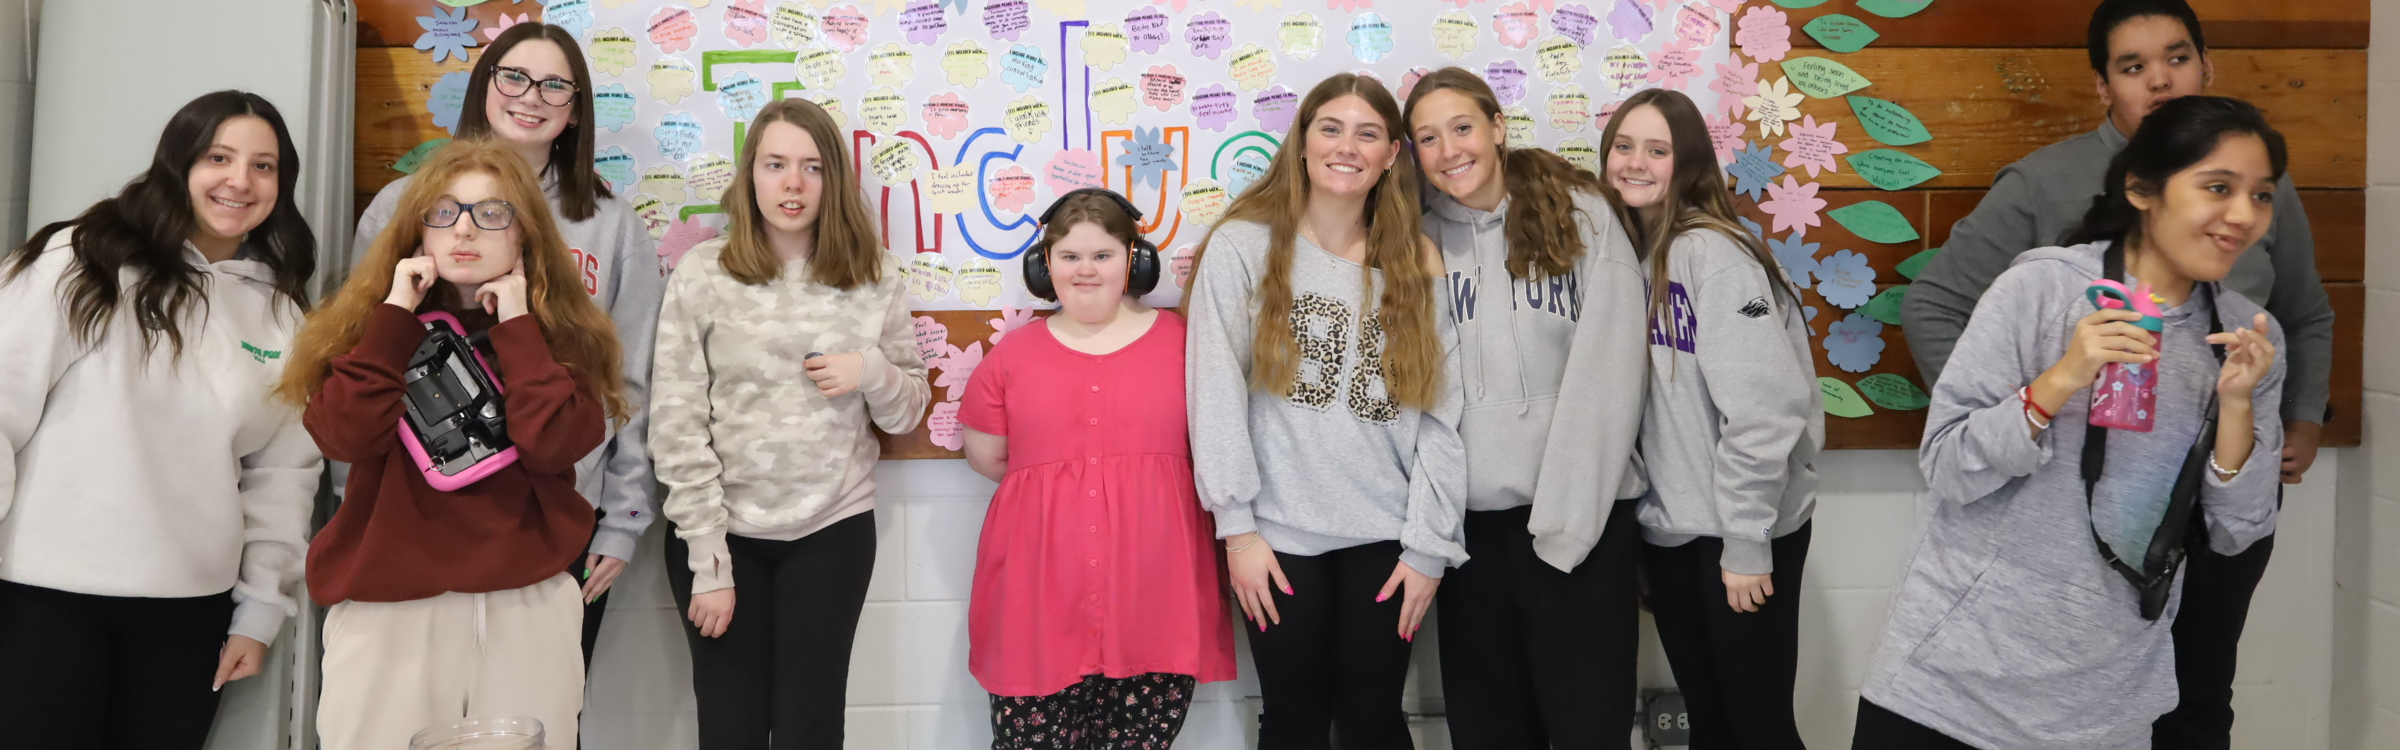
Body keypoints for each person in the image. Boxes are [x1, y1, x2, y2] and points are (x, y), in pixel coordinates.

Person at [1898, 5, 2327, 743]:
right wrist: (2026, 411)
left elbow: (2304, 311)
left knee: (2197, 689)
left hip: (2213, 474)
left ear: (2206, 65)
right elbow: (1935, 306)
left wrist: (2299, 418)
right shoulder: (2042, 197)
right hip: (2074, 498)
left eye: (2178, 57)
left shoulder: (2261, 190)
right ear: (2104, 87)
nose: (2161, 79)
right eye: (2134, 67)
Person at [283, 139, 629, 750]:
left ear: (526, 236)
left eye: (492, 214)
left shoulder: (560, 339)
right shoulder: (374, 330)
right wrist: (396, 313)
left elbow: (552, 445)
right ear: (418, 235)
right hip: (389, 608)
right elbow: (343, 435)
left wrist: (518, 325)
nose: (464, 229)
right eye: (443, 212)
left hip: (527, 602)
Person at [0, 90, 321, 749]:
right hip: (40, 601)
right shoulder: (81, 262)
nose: (240, 180)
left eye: (264, 166)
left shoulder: (281, 312)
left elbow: (282, 474)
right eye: (219, 157)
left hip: (189, 616)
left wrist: (260, 610)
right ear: (176, 165)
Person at [351, 22, 661, 659]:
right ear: (483, 86)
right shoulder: (400, 207)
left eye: (555, 85)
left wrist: (624, 519)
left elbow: (630, 382)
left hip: (559, 513)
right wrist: (347, 498)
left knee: (540, 714)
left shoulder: (610, 225)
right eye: (514, 76)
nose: (532, 96)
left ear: (576, 111)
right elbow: (360, 356)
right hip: (414, 512)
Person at [1184, 72, 1466, 749]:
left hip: (1387, 539)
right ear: (1303, 144)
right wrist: (1238, 529)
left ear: (1393, 154)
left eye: (1368, 133)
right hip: (1278, 540)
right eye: (1330, 129)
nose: (1348, 147)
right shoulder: (1243, 246)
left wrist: (1429, 546)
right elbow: (1214, 392)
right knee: (1293, 719)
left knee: (1374, 719)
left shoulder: (1419, 260)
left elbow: (1441, 418)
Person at [649, 98, 930, 750]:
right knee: (731, 726)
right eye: (776, 164)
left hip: (832, 533)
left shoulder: (873, 274)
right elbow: (675, 423)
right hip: (722, 536)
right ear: (751, 176)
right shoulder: (704, 274)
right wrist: (710, 563)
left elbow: (908, 407)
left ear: (832, 178)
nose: (793, 184)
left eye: (811, 167)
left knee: (811, 726)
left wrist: (871, 372)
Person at [1401, 67, 1648, 749]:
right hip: (1472, 539)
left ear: (1497, 127)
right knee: (1490, 735)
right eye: (1427, 137)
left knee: (1589, 732)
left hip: (1584, 525)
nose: (1449, 149)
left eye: (1462, 127)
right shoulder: (1418, 243)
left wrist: (1567, 528)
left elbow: (1612, 374)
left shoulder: (1580, 214)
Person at [959, 188, 1239, 749]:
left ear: (1135, 261)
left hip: (1157, 600)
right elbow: (989, 457)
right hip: (1037, 603)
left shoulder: (1187, 346)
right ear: (1044, 266)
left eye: (1103, 255)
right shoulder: (1009, 359)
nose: (1085, 270)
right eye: (1068, 257)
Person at [1601, 88, 1819, 750]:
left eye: (1657, 150)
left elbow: (1765, 408)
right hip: (1676, 532)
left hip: (1737, 535)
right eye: (1623, 146)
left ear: (1688, 162)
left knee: (1758, 728)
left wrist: (1747, 540)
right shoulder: (1632, 256)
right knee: (1713, 723)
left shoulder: (1712, 253)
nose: (1635, 162)